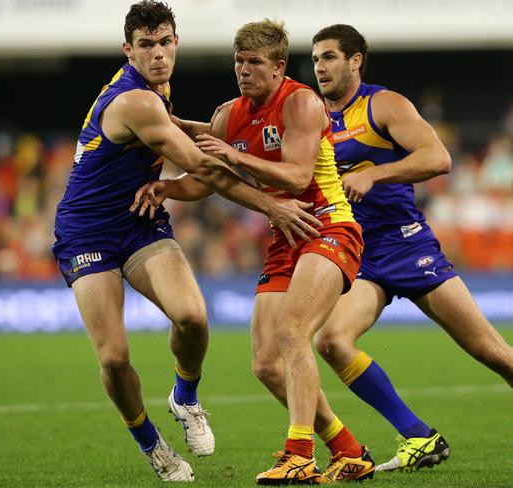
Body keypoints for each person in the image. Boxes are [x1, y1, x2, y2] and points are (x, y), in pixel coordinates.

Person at [52, 2, 322, 482]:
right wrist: (273, 205)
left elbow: (182, 135)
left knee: (194, 317)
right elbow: (202, 168)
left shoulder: (159, 91)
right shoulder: (135, 100)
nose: (158, 54)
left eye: (165, 43)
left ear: (175, 42)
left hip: (139, 221)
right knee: (114, 357)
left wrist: (212, 145)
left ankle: (186, 396)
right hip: (87, 230)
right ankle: (153, 446)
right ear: (127, 50)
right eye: (146, 45)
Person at [132, 20, 376, 485]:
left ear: (279, 66)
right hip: (285, 237)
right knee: (265, 363)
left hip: (329, 226)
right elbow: (207, 179)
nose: (244, 71)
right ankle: (347, 449)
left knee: (293, 332)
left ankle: (299, 454)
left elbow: (299, 176)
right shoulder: (229, 115)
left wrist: (233, 155)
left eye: (255, 63)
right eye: (239, 62)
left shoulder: (301, 102)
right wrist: (169, 187)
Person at [310, 24, 513, 471]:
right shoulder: (314, 116)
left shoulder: (383, 104)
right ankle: (419, 436)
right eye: (316, 58)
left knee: (493, 353)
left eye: (329, 57)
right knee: (332, 341)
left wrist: (373, 175)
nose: (320, 66)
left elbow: (438, 158)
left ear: (355, 60)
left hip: (406, 245)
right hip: (359, 251)